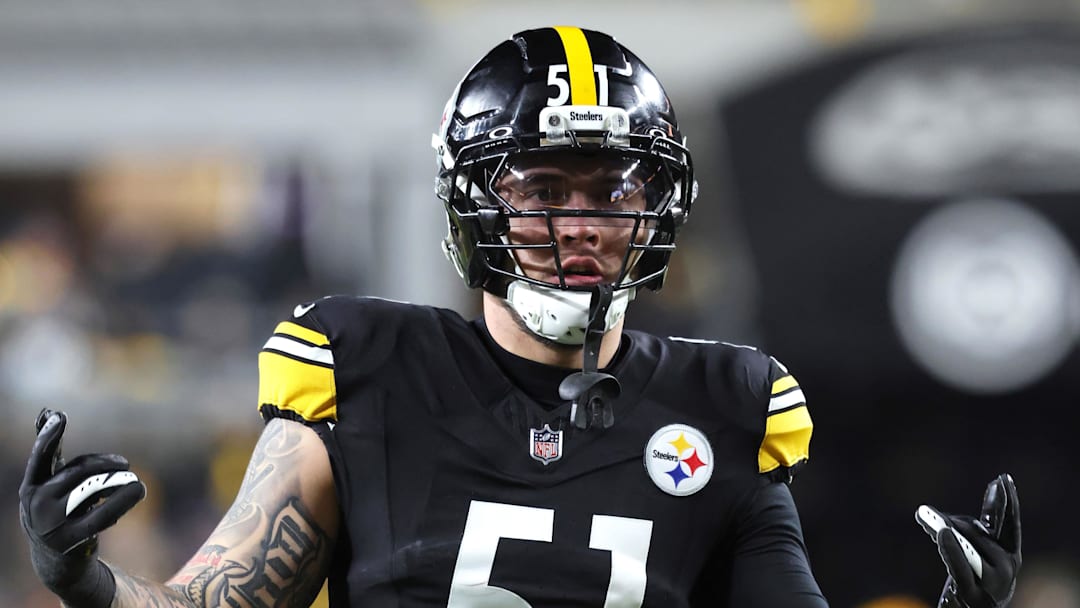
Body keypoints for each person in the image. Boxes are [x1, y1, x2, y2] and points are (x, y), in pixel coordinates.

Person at [19, 26, 1020, 608]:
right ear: (476, 203)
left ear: (658, 209)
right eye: (546, 187)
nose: (583, 222)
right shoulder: (365, 364)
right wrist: (88, 580)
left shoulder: (728, 403)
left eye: (614, 190)